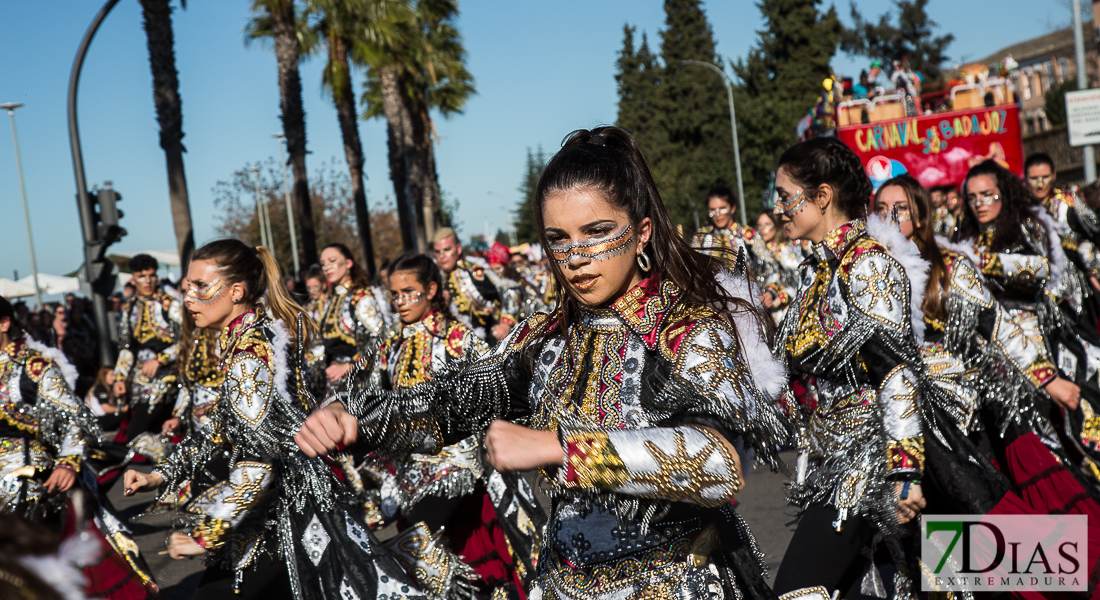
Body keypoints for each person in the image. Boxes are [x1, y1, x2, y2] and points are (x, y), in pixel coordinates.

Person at [296, 126, 791, 600]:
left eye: (596, 232)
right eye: (558, 239)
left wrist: (561, 449)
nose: (575, 256)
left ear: (641, 233)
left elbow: (717, 461)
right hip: (564, 579)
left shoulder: (684, 324)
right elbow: (456, 399)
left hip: (678, 580)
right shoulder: (547, 337)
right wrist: (359, 420)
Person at [123, 240, 422, 600]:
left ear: (236, 292)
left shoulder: (248, 354)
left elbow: (259, 463)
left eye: (201, 286)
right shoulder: (249, 339)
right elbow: (221, 425)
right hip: (285, 502)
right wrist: (160, 474)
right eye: (188, 286)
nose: (188, 297)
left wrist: (205, 537)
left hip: (289, 508)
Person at [769, 137, 929, 598]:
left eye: (785, 196)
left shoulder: (868, 267)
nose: (780, 208)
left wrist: (905, 472)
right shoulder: (816, 271)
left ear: (822, 197)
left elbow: (895, 370)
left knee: (797, 589)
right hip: (827, 459)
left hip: (865, 461)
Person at [363, 254, 542, 599]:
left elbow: (493, 395)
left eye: (409, 292)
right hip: (408, 474)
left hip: (461, 474)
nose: (400, 302)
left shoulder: (459, 339)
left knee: (470, 566)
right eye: (395, 295)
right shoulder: (390, 345)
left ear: (431, 290)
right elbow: (374, 398)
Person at [112, 254, 182, 442]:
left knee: (138, 434)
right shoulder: (129, 308)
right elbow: (126, 348)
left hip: (170, 380)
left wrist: (161, 359)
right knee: (142, 434)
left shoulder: (171, 305)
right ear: (133, 279)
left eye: (151, 275)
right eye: (142, 276)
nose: (148, 280)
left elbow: (187, 341)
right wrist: (120, 377)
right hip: (139, 383)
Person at [314, 243, 385, 388]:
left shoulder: (361, 298)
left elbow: (380, 338)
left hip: (360, 384)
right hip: (334, 383)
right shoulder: (330, 300)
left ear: (348, 263)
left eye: (332, 261)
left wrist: (350, 365)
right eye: (323, 264)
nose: (327, 267)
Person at [432, 228, 515, 343]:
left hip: (489, 344)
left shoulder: (475, 271)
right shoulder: (432, 277)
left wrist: (506, 323)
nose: (442, 256)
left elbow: (512, 289)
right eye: (437, 251)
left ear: (458, 249)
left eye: (447, 249)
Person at [752, 210, 803, 322]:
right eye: (759, 225)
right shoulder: (761, 251)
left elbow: (796, 281)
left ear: (776, 225)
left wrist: (777, 297)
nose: (763, 229)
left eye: (767, 224)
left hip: (786, 312)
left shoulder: (785, 250)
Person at [691, 179, 757, 262]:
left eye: (722, 208)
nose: (718, 214)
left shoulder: (748, 235)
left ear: (732, 208)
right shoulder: (700, 237)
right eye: (713, 210)